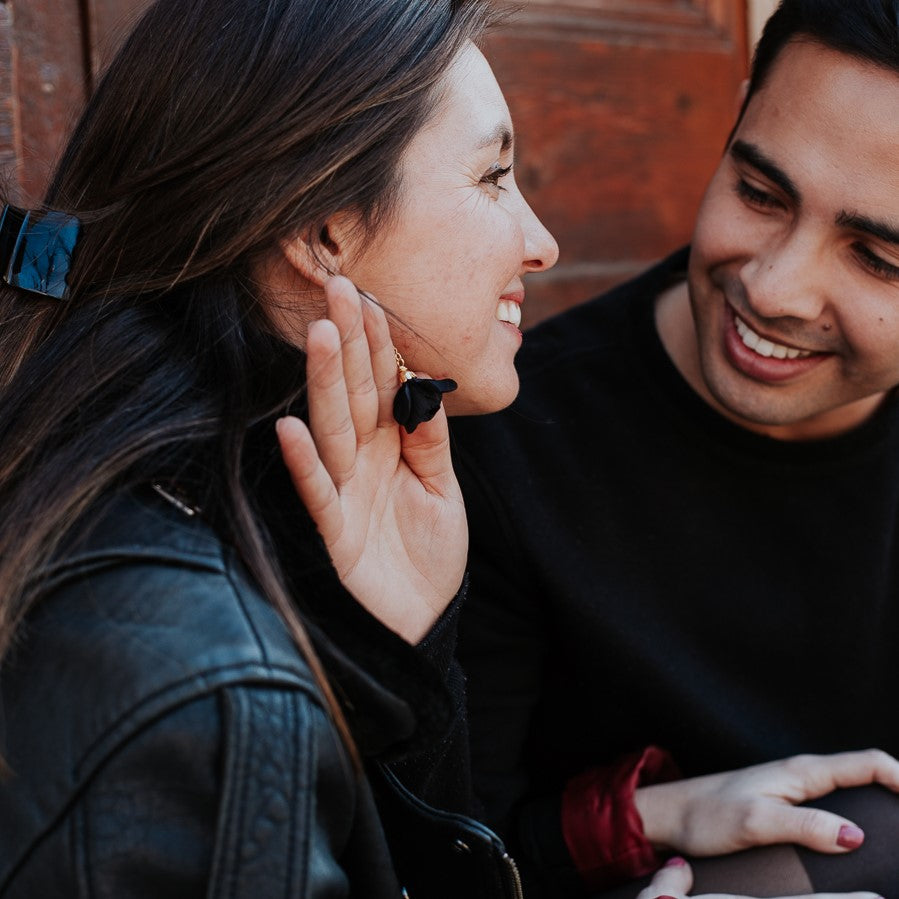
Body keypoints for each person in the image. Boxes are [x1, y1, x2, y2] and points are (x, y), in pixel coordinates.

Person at [0, 0, 891, 897]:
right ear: (320, 234)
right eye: (493, 176)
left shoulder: (287, 499)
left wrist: (400, 658)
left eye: (878, 257)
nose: (542, 244)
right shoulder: (208, 674)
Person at [450, 0, 899, 896]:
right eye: (759, 194)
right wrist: (645, 818)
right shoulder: (510, 446)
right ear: (736, 122)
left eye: (878, 259)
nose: (772, 288)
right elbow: (464, 851)